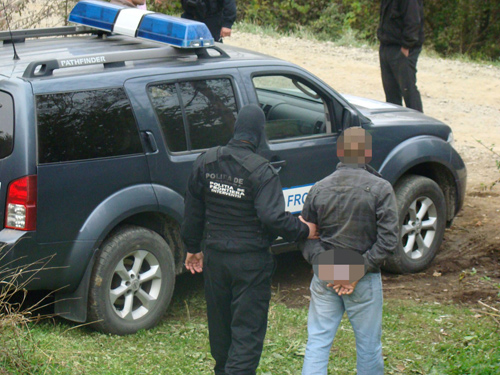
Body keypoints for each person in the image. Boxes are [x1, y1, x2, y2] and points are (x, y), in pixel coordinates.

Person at [181, 104, 317, 375]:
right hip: (250, 263)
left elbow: (193, 211)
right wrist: (304, 230)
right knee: (247, 334)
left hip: (216, 260)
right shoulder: (262, 171)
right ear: (258, 133)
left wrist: (192, 248)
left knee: (220, 330)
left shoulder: (206, 161)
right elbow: (273, 218)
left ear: (236, 128)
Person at [301, 127, 399, 375]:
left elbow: (305, 237)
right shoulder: (381, 188)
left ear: (339, 152)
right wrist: (354, 270)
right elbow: (388, 240)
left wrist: (330, 268)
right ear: (367, 153)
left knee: (317, 343)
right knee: (368, 347)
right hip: (363, 280)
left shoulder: (318, 188)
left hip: (326, 278)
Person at [377, 0, 424, 112]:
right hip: (387, 46)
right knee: (391, 93)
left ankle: (419, 124)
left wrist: (406, 46)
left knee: (408, 89)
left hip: (402, 48)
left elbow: (413, 21)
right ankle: (396, 125)